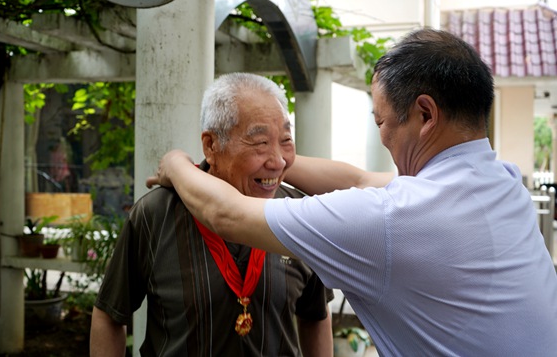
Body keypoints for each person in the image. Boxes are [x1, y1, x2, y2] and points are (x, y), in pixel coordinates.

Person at [147, 28, 557, 356]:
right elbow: (360, 179)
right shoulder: (503, 181)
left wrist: (175, 164)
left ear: (426, 114)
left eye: (382, 122)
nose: (383, 137)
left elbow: (228, 216)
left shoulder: (390, 220)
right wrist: (273, 158)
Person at [90, 73, 334, 356]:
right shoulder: (156, 214)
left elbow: (316, 316)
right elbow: (110, 314)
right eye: (260, 142)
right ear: (211, 145)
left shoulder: (300, 215)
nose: (278, 161)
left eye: (286, 140)